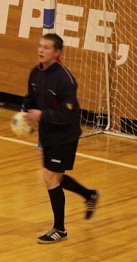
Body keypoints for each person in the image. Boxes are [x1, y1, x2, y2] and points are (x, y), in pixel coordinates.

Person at [22, 33, 99, 244]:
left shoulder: (65, 79)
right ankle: (89, 195)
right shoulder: (35, 73)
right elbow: (30, 98)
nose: (41, 50)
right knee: (55, 177)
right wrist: (25, 113)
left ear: (57, 52)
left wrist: (42, 115)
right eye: (40, 46)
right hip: (47, 133)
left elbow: (70, 115)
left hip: (65, 135)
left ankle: (60, 229)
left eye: (46, 47)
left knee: (50, 178)